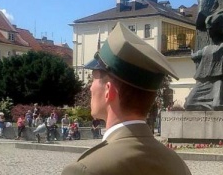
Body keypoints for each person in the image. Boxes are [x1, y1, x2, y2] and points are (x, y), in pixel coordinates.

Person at [62, 22, 191, 175]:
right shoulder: (177, 165)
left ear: (108, 91)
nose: (90, 87)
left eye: (94, 78)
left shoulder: (85, 170)